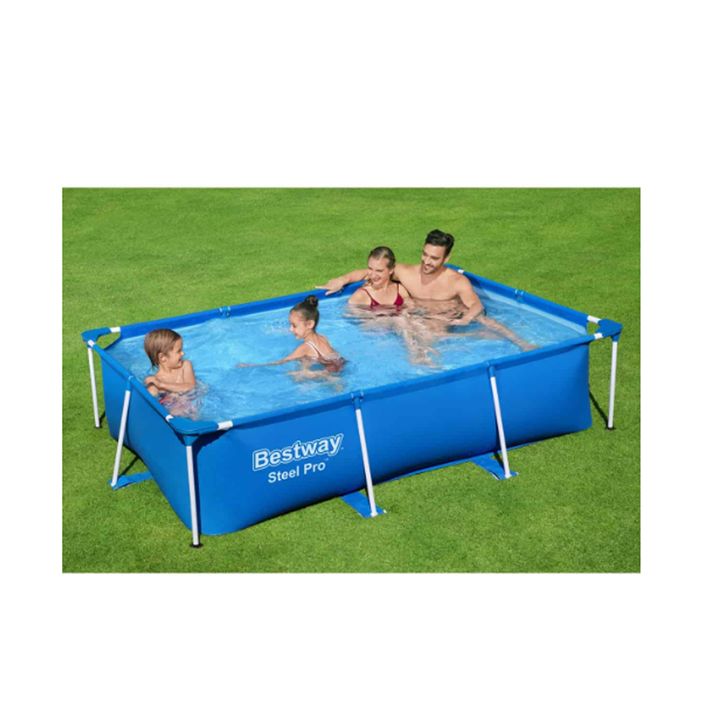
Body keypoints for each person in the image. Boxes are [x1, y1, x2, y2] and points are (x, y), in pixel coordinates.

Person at [318, 229, 534, 351]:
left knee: (485, 319)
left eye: (434, 258)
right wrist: (342, 280)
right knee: (425, 335)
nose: (427, 262)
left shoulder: (456, 281)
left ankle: (522, 343)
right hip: (422, 317)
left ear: (446, 258)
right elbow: (372, 272)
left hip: (450, 315)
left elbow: (476, 305)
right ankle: (475, 337)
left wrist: (466, 319)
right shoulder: (406, 272)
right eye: (425, 254)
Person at [237, 295, 346, 376]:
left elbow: (281, 362)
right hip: (341, 365)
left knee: (294, 375)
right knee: (304, 361)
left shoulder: (305, 347)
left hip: (329, 374)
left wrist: (252, 366)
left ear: (310, 324)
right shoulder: (323, 337)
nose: (291, 329)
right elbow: (334, 356)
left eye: (294, 326)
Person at [143, 328, 198, 416]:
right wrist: (151, 389)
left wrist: (162, 385)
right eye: (178, 351)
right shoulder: (155, 381)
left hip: (192, 404)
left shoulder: (185, 365)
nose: (183, 353)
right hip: (174, 410)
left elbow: (191, 386)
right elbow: (149, 401)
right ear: (162, 357)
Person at [348, 246, 411, 310]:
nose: (373, 275)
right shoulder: (361, 296)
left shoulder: (400, 290)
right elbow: (349, 315)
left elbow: (411, 310)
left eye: (379, 271)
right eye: (370, 269)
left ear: (391, 270)